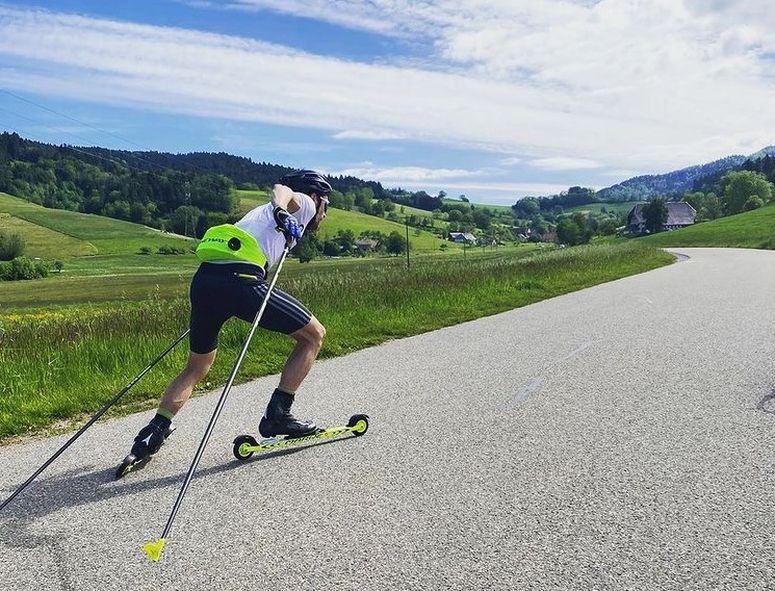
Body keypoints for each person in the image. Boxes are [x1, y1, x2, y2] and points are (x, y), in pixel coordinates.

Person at [120, 169, 331, 469]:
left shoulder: (258, 218)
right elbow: (282, 191)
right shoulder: (303, 204)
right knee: (314, 335)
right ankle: (278, 416)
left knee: (196, 367)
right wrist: (284, 212)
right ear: (316, 198)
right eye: (327, 205)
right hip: (241, 280)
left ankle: (151, 434)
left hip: (205, 281)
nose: (324, 214)